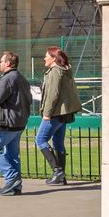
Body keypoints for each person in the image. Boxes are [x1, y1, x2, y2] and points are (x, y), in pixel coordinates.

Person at [0, 51, 32, 195]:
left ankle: (12, 178)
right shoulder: (21, 78)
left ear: (8, 63)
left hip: (5, 123)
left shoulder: (8, 79)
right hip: (18, 122)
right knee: (12, 154)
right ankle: (16, 186)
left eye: (1, 61)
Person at [36, 46, 83, 186]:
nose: (44, 58)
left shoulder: (56, 71)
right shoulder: (65, 70)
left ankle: (57, 171)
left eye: (46, 56)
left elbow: (53, 94)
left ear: (53, 58)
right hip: (64, 114)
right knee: (58, 144)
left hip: (55, 114)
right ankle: (61, 178)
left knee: (40, 140)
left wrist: (47, 114)